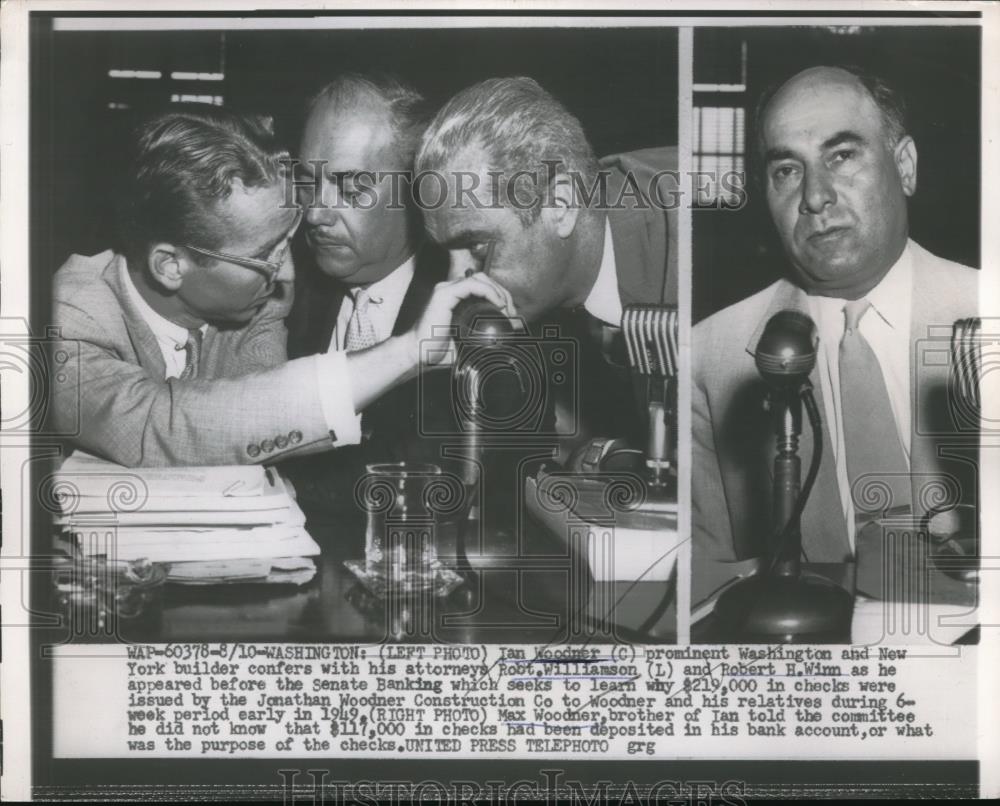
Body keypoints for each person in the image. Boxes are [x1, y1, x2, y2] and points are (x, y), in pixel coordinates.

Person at [50, 104, 512, 468]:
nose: (288, 275)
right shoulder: (68, 312)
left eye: (286, 243)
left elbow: (260, 417)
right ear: (171, 266)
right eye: (264, 256)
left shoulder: (257, 303)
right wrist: (407, 351)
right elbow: (162, 428)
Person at [692, 65, 979, 564]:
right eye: (787, 170)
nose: (815, 196)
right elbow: (704, 580)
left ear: (905, 166)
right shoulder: (706, 360)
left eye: (842, 156)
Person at [414, 76, 678, 451]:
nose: (454, 282)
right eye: (446, 256)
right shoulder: (565, 275)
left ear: (562, 204)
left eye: (476, 245)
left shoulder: (689, 242)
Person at [282, 74, 452, 515]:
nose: (316, 212)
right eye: (307, 181)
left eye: (351, 186)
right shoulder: (274, 295)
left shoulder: (471, 315)